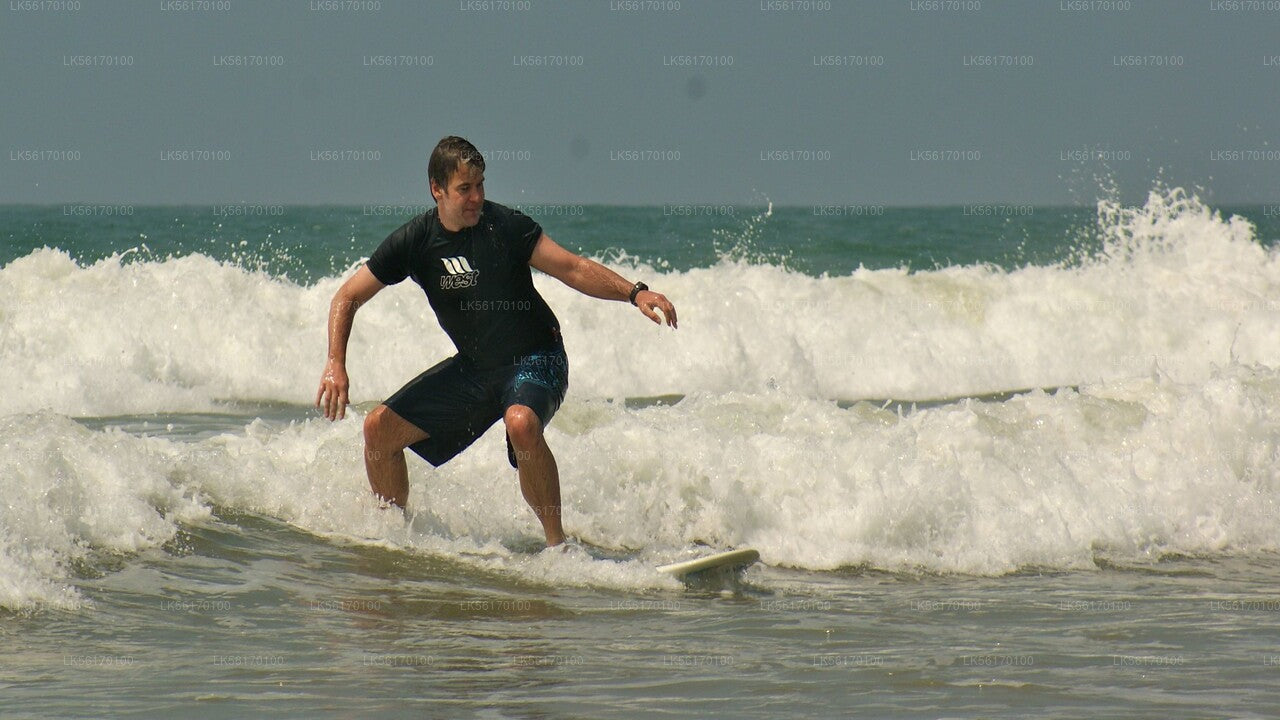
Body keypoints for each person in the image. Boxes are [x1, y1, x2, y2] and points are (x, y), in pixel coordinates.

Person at [316, 136, 677, 547]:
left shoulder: (504, 226)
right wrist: (335, 363)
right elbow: (348, 296)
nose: (476, 198)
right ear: (437, 189)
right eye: (464, 189)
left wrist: (635, 293)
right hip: (476, 368)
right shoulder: (415, 242)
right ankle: (390, 538)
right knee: (378, 429)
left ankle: (557, 548)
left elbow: (572, 268)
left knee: (521, 423)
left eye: (480, 185)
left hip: (537, 358)